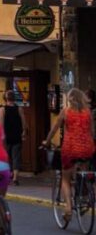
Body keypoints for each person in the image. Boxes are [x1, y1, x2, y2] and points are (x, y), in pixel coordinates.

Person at [42, 88, 95, 223]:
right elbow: (92, 132)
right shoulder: (88, 113)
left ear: (70, 99)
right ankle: (84, 195)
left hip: (70, 149)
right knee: (82, 169)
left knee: (65, 179)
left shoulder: (66, 112)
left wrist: (47, 142)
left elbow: (54, 129)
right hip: (87, 148)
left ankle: (68, 208)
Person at [0, 90, 27, 185]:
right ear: (14, 98)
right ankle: (15, 177)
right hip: (16, 135)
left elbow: (1, 124)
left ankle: (8, 175)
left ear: (5, 98)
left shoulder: (2, 109)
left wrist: (1, 135)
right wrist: (23, 132)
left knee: (7, 157)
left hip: (6, 136)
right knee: (16, 157)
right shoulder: (19, 108)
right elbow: (23, 122)